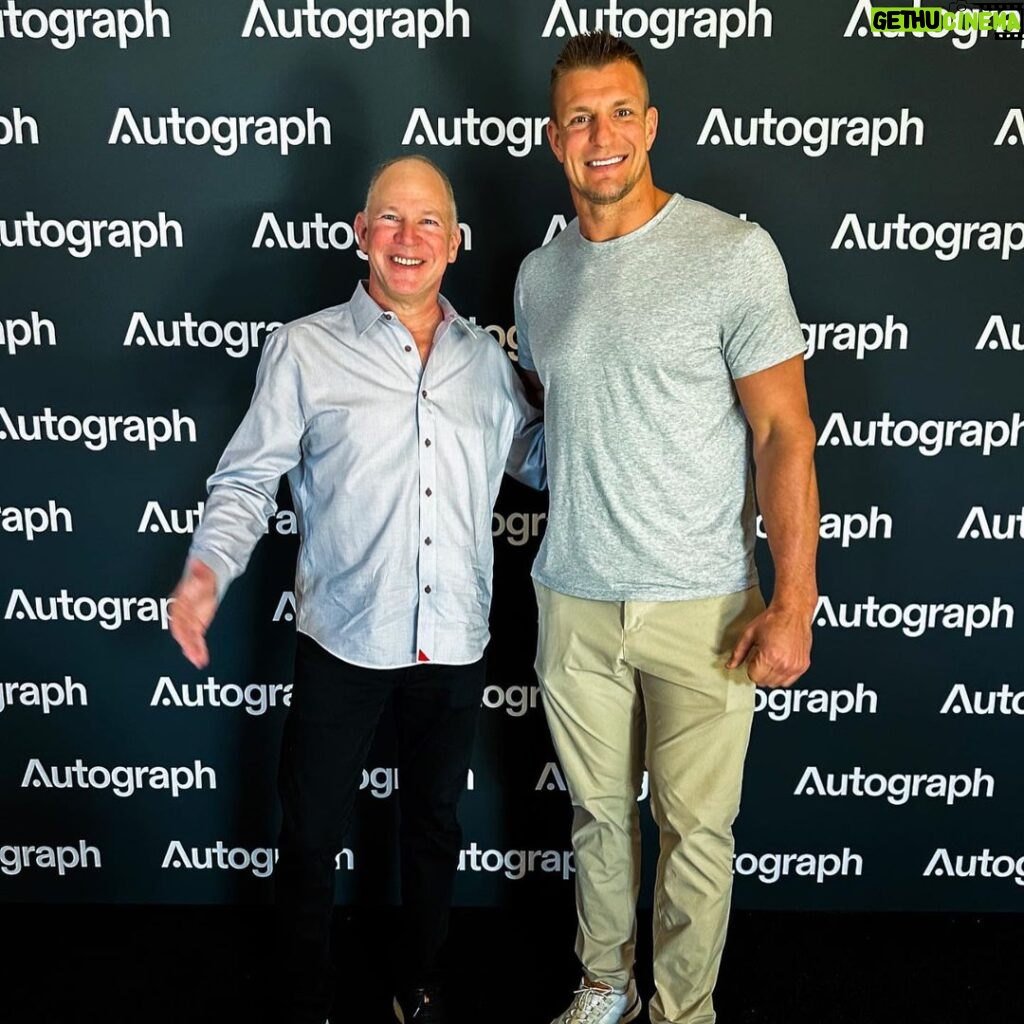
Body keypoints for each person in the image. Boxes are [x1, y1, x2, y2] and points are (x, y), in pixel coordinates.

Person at [168, 155, 544, 1024]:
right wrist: (206, 571)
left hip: (453, 644)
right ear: (360, 235)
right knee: (309, 836)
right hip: (343, 638)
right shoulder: (305, 348)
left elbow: (543, 464)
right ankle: (304, 996)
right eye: (390, 220)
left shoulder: (487, 365)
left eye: (427, 224)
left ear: (454, 244)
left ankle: (419, 982)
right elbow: (246, 479)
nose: (408, 239)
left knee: (434, 831)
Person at [514, 31, 819, 1024]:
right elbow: (562, 438)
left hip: (703, 602)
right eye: (578, 117)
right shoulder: (537, 277)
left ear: (648, 126)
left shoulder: (731, 253)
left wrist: (794, 597)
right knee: (598, 818)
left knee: (696, 831)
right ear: (553, 137)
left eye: (617, 113)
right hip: (573, 598)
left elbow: (782, 431)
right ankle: (604, 987)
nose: (599, 135)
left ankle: (681, 1010)